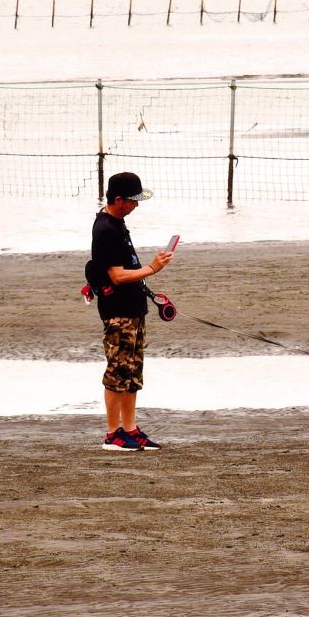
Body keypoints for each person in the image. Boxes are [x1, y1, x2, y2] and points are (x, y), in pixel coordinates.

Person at [89, 171, 174, 451]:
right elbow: (116, 275)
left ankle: (131, 429)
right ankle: (113, 434)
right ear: (118, 200)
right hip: (117, 312)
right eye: (132, 201)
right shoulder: (105, 229)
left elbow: (128, 270)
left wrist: (149, 289)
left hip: (133, 308)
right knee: (117, 371)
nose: (136, 206)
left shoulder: (118, 224)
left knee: (133, 372)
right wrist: (153, 268)